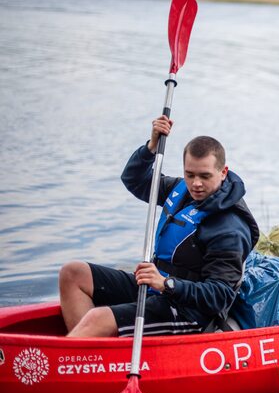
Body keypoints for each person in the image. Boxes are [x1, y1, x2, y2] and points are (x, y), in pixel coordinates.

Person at [59, 115, 259, 337]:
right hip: (157, 288)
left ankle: (83, 353)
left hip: (189, 312)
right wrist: (152, 146)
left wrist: (167, 284)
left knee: (98, 318)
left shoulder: (229, 227)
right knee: (73, 273)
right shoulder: (181, 190)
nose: (196, 184)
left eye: (205, 176)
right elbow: (134, 180)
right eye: (190, 174)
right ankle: (89, 357)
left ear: (223, 172)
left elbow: (219, 296)